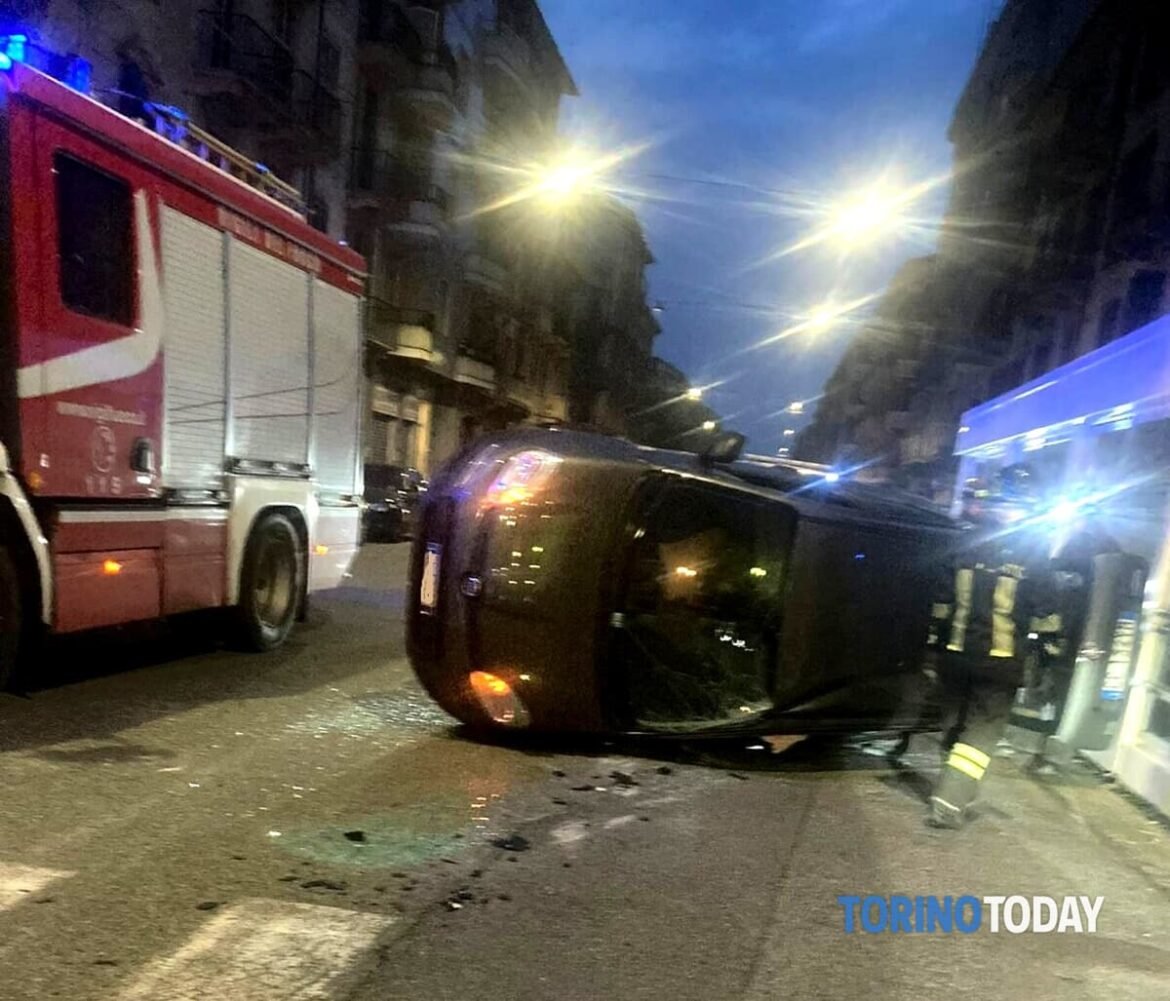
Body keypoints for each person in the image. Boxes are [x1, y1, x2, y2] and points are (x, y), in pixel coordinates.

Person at [926, 466, 1058, 829]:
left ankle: (951, 781)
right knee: (983, 730)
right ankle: (950, 800)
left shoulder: (965, 543)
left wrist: (933, 645)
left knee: (955, 721)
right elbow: (1046, 614)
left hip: (955, 654)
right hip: (1000, 662)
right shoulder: (1033, 552)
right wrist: (1045, 655)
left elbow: (940, 601)